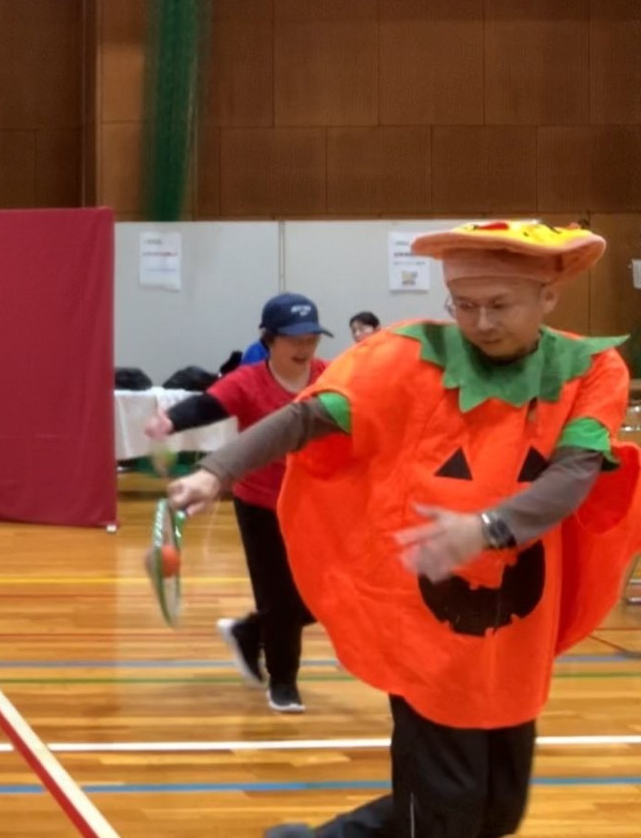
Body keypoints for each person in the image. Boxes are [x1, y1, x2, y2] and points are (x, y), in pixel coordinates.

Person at [168, 221, 641, 838]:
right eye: (463, 305)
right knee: (445, 813)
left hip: (519, 625)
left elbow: (574, 473)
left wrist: (488, 528)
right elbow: (308, 418)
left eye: (499, 305)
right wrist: (218, 471)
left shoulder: (592, 369)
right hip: (426, 612)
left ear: (548, 296)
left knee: (495, 811)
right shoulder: (408, 356)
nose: (481, 322)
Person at [146, 292, 328, 713]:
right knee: (280, 599)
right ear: (269, 339)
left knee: (327, 595)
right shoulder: (248, 381)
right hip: (261, 505)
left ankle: (249, 633)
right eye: (294, 339)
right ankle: (283, 683)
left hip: (315, 505)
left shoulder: (330, 376)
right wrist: (169, 421)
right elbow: (207, 404)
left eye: (311, 338)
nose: (304, 347)